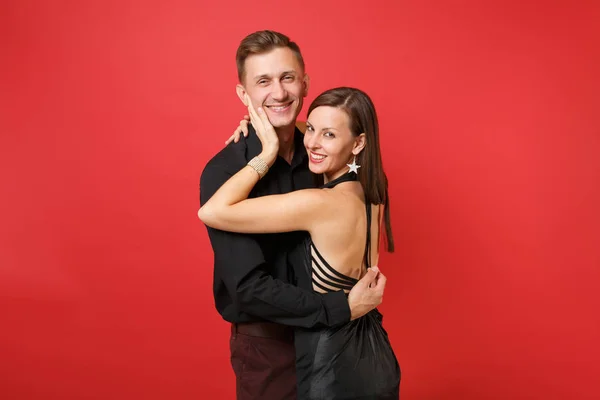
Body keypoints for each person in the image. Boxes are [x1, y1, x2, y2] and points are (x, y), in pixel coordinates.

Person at [199, 30, 387, 400]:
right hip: (270, 348)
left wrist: (340, 315)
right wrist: (338, 308)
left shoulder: (321, 153)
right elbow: (248, 289)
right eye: (263, 81)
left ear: (305, 83)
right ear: (244, 94)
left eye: (287, 78)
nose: (279, 93)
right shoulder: (225, 173)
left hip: (335, 342)